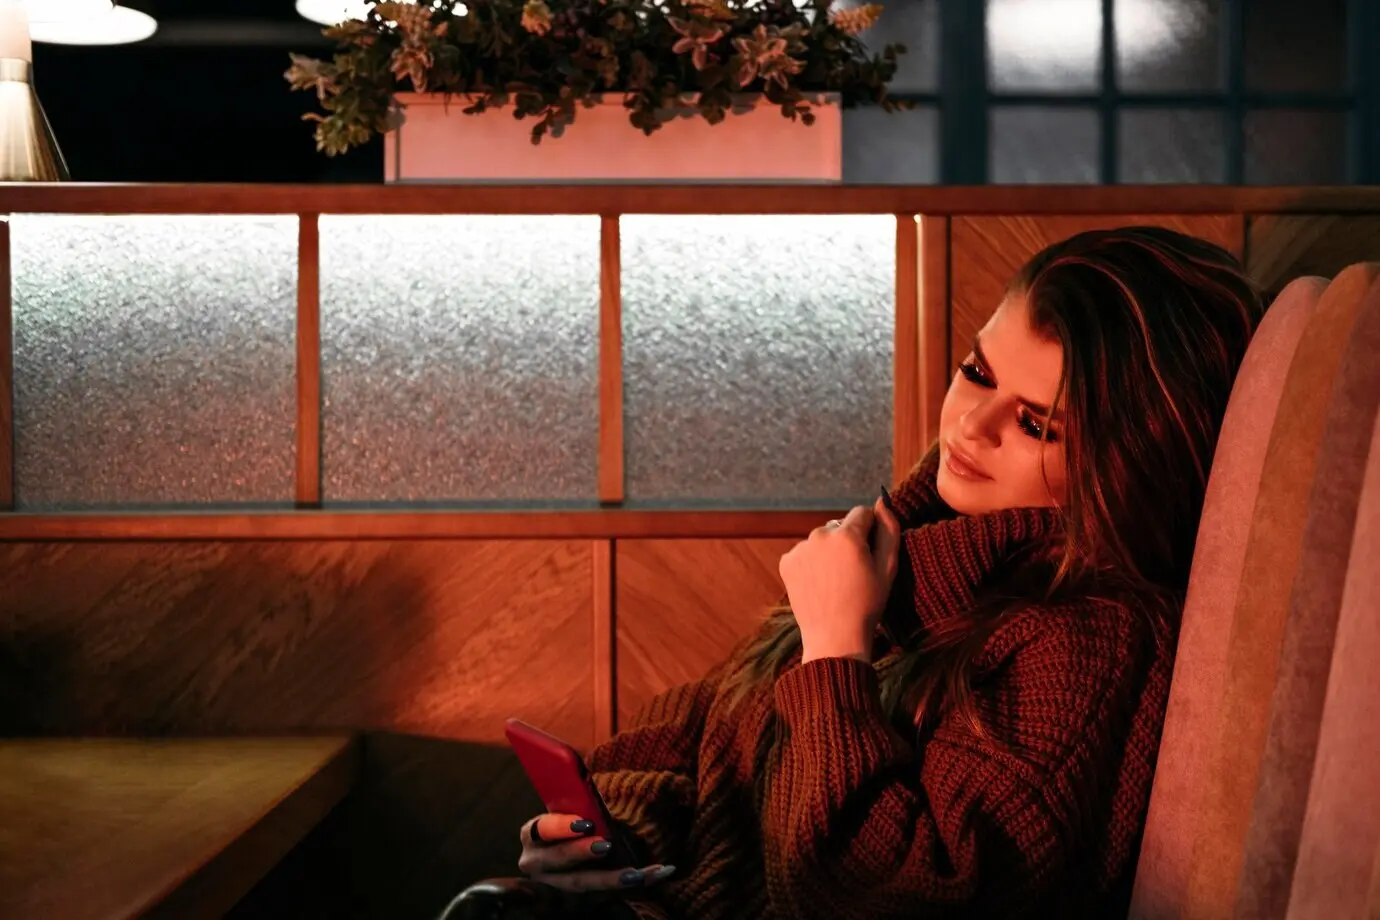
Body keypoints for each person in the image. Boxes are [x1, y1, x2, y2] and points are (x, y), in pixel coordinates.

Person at [499, 227, 1264, 919]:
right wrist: (612, 834)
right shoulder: (915, 535)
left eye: (1036, 423)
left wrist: (835, 651)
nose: (971, 425)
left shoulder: (1089, 644)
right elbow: (706, 721)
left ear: (1129, 469)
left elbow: (886, 894)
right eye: (977, 371)